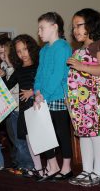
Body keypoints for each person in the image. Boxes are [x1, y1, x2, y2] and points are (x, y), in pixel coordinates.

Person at [65, 9, 100, 187]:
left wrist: (80, 65)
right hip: (80, 102)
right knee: (84, 135)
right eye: (73, 27)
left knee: (97, 134)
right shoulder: (79, 50)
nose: (75, 30)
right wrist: (70, 98)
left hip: (96, 99)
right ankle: (87, 170)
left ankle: (99, 172)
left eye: (79, 25)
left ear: (91, 25)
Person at [34, 12, 73, 182]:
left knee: (61, 132)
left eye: (42, 28)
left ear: (54, 27)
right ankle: (52, 165)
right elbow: (40, 73)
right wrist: (37, 92)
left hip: (57, 96)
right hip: (43, 97)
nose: (39, 32)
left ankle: (67, 166)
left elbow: (58, 74)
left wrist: (45, 94)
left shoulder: (63, 47)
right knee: (44, 133)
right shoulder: (43, 50)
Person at [2, 34, 42, 179]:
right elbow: (6, 87)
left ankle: (49, 167)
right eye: (19, 51)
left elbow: (45, 83)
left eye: (25, 49)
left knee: (42, 139)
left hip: (38, 105)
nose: (22, 54)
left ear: (31, 48)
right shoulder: (18, 70)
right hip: (24, 108)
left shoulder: (39, 65)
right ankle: (37, 168)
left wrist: (32, 92)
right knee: (29, 139)